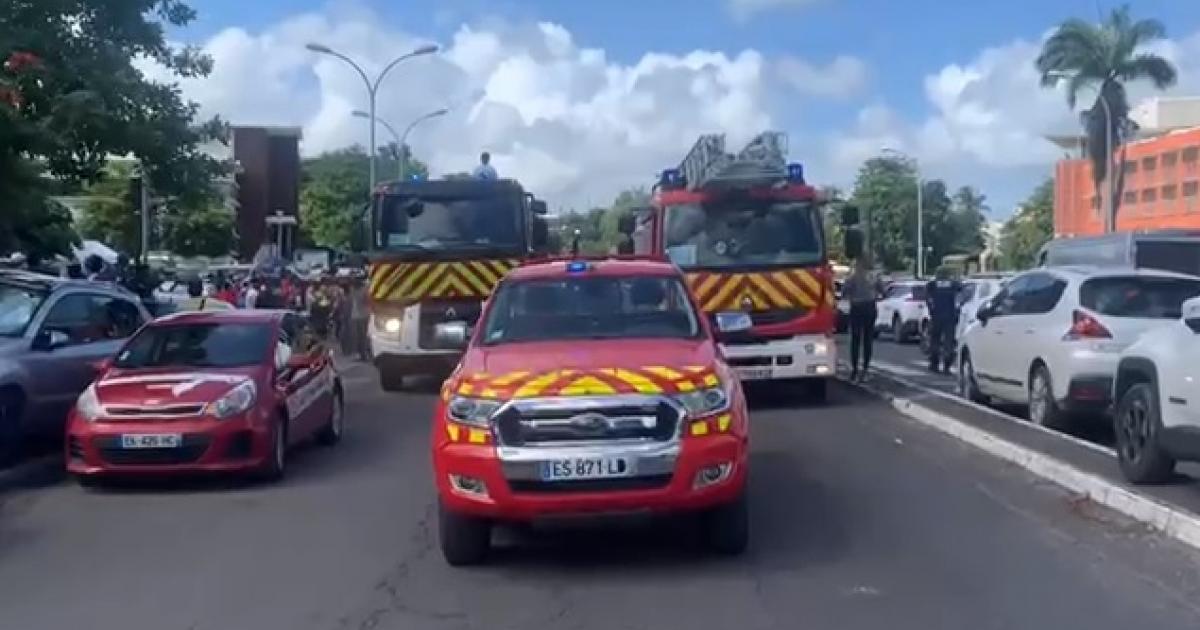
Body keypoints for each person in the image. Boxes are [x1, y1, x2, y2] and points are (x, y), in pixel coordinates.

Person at [843, 256, 883, 382]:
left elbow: (844, 292)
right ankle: (865, 370)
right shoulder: (874, 276)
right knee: (868, 339)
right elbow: (882, 291)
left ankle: (854, 370)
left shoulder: (852, 276)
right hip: (870, 307)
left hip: (856, 307)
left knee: (855, 339)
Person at [925, 266, 963, 373]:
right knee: (948, 342)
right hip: (950, 317)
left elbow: (928, 299)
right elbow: (959, 298)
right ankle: (947, 366)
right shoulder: (954, 285)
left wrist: (931, 310)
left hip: (936, 316)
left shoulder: (932, 285)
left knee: (935, 341)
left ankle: (934, 364)